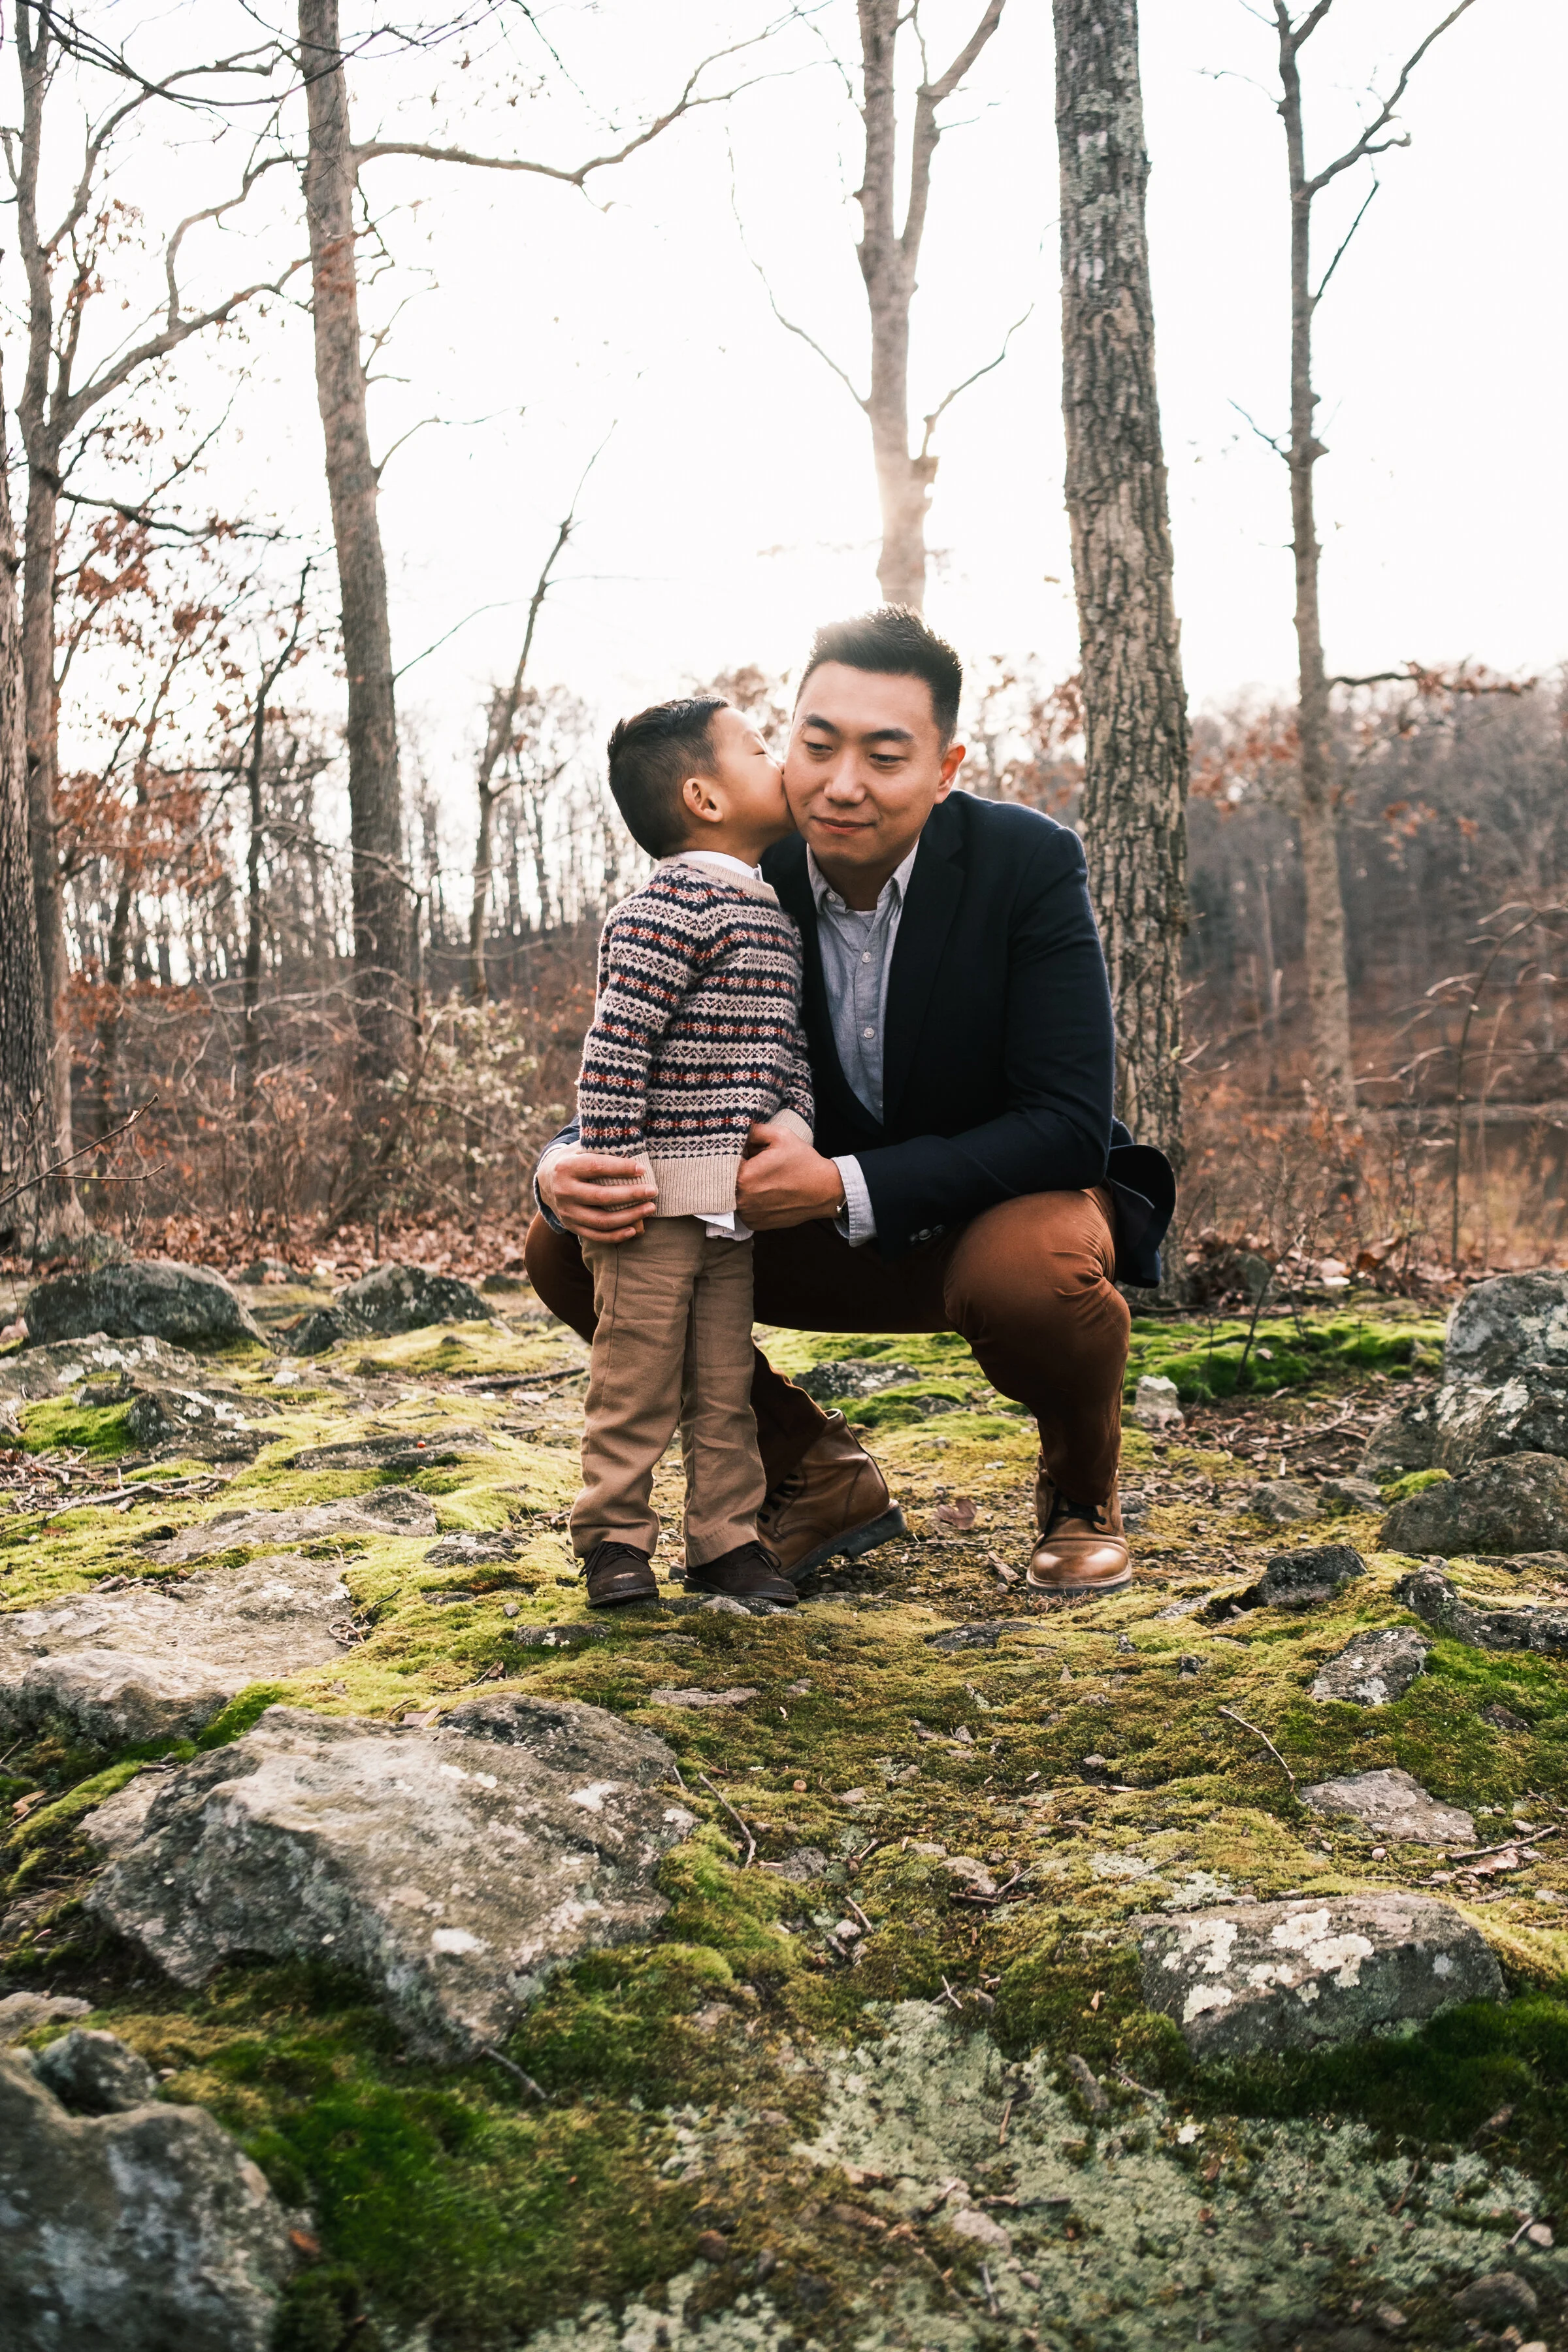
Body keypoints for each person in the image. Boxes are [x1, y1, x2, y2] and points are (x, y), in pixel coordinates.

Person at [529, 607, 1175, 1602]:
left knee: (1035, 1275)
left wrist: (840, 1182)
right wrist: (565, 1164)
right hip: (793, 1229)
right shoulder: (738, 871)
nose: (840, 784)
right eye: (817, 745)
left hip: (986, 1216)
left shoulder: (1026, 862)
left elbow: (1068, 1123)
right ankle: (813, 1469)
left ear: (945, 768)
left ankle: (1081, 1495)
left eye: (884, 756)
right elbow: (654, 1055)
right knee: (571, 1240)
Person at [563, 693, 813, 1611]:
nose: (781, 759)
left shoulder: (773, 914)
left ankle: (725, 1541)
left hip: (731, 1207)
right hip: (649, 1205)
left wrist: (797, 1122)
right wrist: (615, 1173)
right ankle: (613, 1539)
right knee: (634, 1382)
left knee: (724, 1387)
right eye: (760, 747)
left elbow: (788, 1049)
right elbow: (616, 1050)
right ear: (704, 798)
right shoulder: (664, 909)